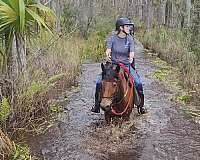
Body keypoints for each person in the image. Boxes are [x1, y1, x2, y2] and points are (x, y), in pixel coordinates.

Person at [91, 17, 146, 114]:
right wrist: (107, 55)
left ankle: (141, 106)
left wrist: (131, 57)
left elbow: (132, 52)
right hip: (113, 65)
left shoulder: (130, 39)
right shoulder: (112, 39)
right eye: (127, 26)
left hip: (125, 65)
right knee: (99, 82)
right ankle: (96, 105)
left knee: (138, 83)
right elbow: (108, 50)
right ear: (121, 28)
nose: (129, 28)